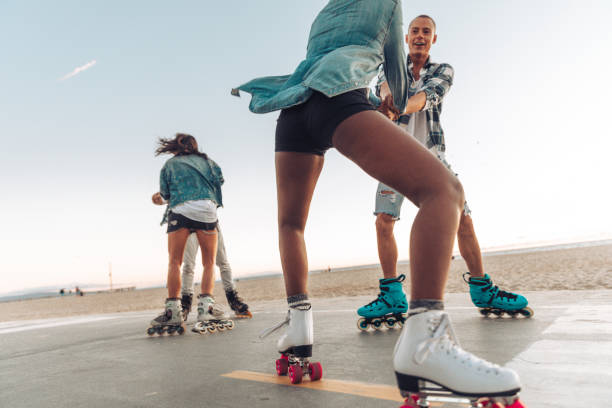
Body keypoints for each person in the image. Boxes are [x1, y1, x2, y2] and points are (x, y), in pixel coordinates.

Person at [233, 0, 523, 404]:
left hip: (295, 110)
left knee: (291, 224)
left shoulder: (327, 11)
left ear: (432, 37)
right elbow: (395, 81)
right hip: (339, 101)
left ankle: (299, 328)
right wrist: (391, 103)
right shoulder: (387, 4)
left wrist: (381, 105)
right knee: (446, 192)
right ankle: (425, 342)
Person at [358, 15, 531, 327]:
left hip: (433, 157)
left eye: (427, 32)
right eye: (415, 31)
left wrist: (399, 106)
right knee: (384, 222)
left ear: (433, 39)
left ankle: (482, 289)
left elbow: (430, 96)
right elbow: (382, 87)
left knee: (463, 221)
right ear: (406, 37)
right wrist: (385, 100)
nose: (420, 36)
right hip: (394, 156)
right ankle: (391, 295)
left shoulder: (442, 70)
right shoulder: (389, 68)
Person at [147, 133, 232, 336]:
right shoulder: (208, 162)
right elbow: (220, 180)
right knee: (209, 262)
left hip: (181, 211)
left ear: (176, 147)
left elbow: (165, 195)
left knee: (175, 262)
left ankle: (173, 311)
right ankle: (206, 309)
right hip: (206, 210)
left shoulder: (169, 165)